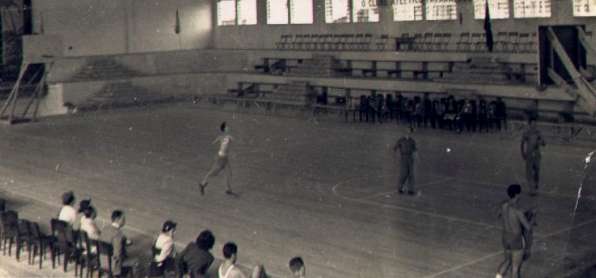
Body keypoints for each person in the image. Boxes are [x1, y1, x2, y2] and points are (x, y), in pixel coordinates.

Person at [496, 184, 532, 278]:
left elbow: (499, 214)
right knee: (515, 268)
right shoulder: (518, 211)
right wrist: (531, 218)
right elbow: (528, 227)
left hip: (505, 238)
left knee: (507, 261)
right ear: (517, 195)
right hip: (516, 239)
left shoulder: (503, 205)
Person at [199, 122, 234, 195]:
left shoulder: (224, 137)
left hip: (225, 158)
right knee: (214, 172)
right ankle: (203, 184)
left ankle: (228, 189)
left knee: (228, 173)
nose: (228, 127)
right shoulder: (225, 137)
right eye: (226, 127)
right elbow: (214, 143)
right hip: (221, 158)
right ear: (224, 129)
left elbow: (214, 143)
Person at [101, 210, 137, 277]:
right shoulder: (118, 234)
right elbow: (117, 253)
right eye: (123, 219)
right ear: (117, 219)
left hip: (101, 259)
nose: (124, 221)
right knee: (136, 262)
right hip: (112, 264)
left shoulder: (105, 228)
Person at [521, 119, 546, 196]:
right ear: (529, 124)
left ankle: (535, 185)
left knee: (537, 172)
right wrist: (523, 153)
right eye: (532, 124)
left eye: (535, 124)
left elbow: (544, 143)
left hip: (537, 155)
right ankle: (531, 189)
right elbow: (522, 143)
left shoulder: (538, 132)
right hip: (529, 155)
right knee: (529, 172)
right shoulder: (526, 133)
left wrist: (541, 142)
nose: (534, 126)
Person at [394, 127, 417, 195]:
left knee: (411, 174)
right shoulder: (401, 140)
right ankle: (400, 188)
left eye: (409, 132)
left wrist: (415, 157)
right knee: (404, 174)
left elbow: (415, 150)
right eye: (407, 131)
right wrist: (397, 156)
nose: (408, 133)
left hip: (410, 158)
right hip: (403, 157)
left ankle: (411, 189)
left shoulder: (412, 141)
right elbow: (395, 148)